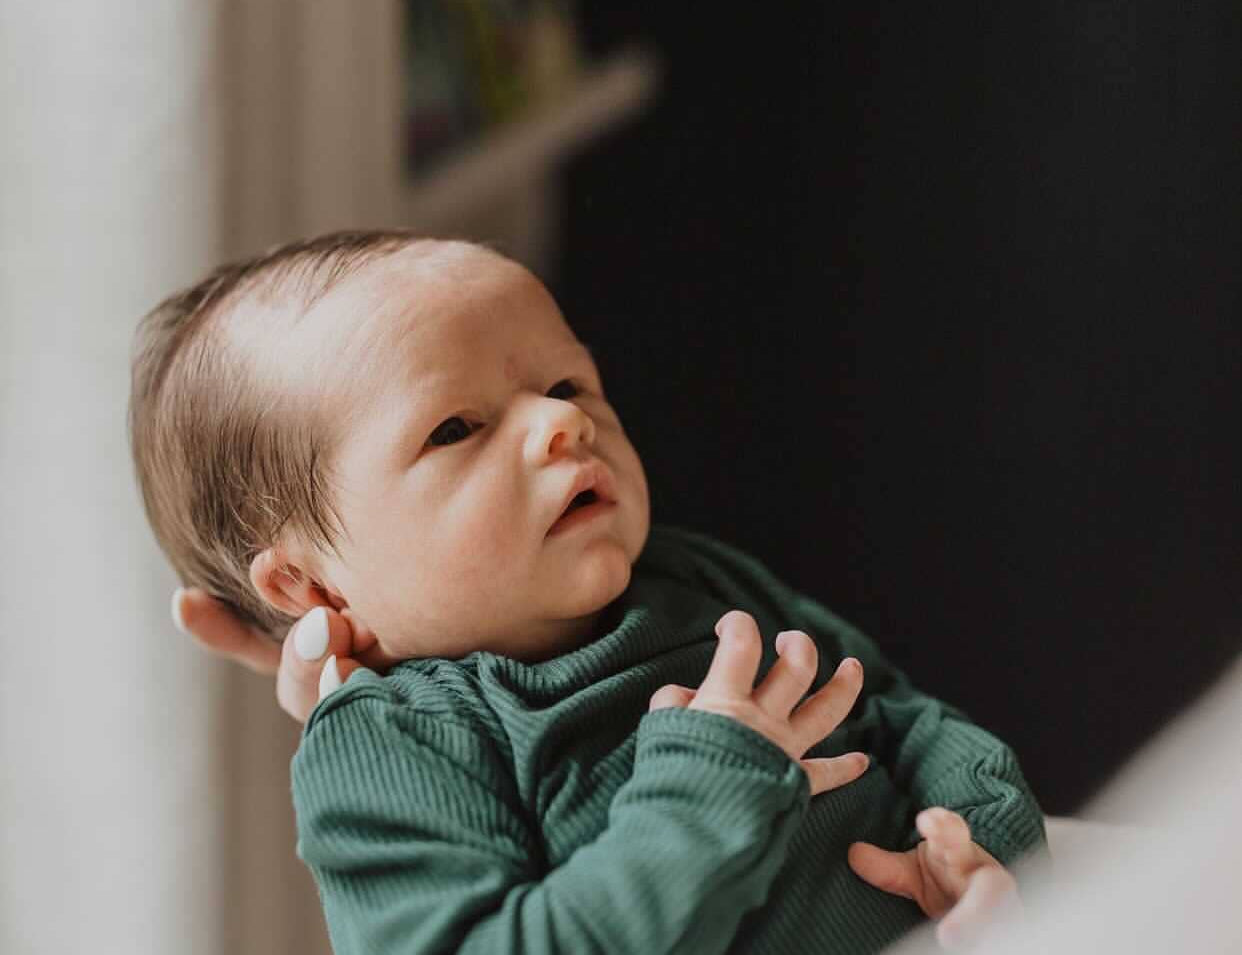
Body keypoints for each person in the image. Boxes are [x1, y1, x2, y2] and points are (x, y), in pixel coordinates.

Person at [133, 230, 1044, 954]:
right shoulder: (395, 744)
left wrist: (977, 836)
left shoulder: (697, 582)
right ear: (310, 582)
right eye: (455, 427)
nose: (563, 421)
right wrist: (708, 788)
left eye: (566, 382)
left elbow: (897, 715)